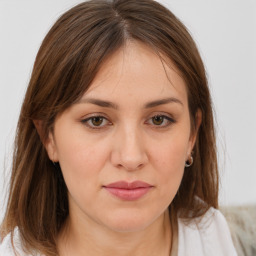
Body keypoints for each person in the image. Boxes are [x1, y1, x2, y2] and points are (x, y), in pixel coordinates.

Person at [0, 0, 237, 255]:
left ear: (192, 134)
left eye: (159, 119)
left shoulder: (210, 234)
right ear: (48, 137)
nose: (131, 157)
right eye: (96, 120)